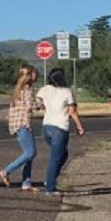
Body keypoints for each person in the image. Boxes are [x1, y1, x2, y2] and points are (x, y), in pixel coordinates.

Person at [36, 68, 85, 196]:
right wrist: (79, 126)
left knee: (63, 155)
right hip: (60, 128)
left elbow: (38, 104)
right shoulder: (67, 92)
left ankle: (51, 179)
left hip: (46, 127)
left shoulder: (45, 89)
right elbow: (72, 111)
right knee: (55, 158)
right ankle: (50, 188)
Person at [0, 66, 40, 191]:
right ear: (29, 75)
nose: (36, 75)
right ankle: (6, 171)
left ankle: (26, 183)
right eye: (34, 73)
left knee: (28, 154)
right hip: (22, 124)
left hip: (17, 124)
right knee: (31, 152)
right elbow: (31, 105)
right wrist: (41, 102)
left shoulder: (18, 89)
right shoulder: (26, 89)